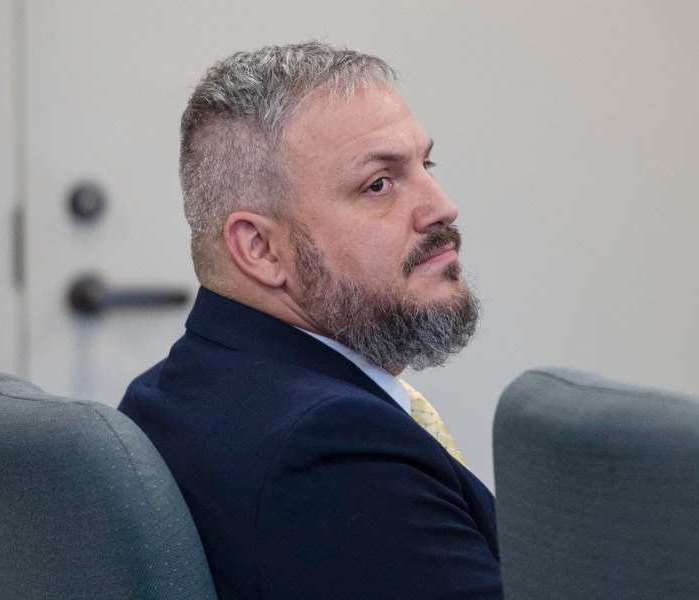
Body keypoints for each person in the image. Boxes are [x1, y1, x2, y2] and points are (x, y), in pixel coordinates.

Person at [119, 41, 503, 599]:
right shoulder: (334, 451)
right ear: (261, 250)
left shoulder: (171, 392)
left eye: (427, 164)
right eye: (379, 184)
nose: (442, 207)